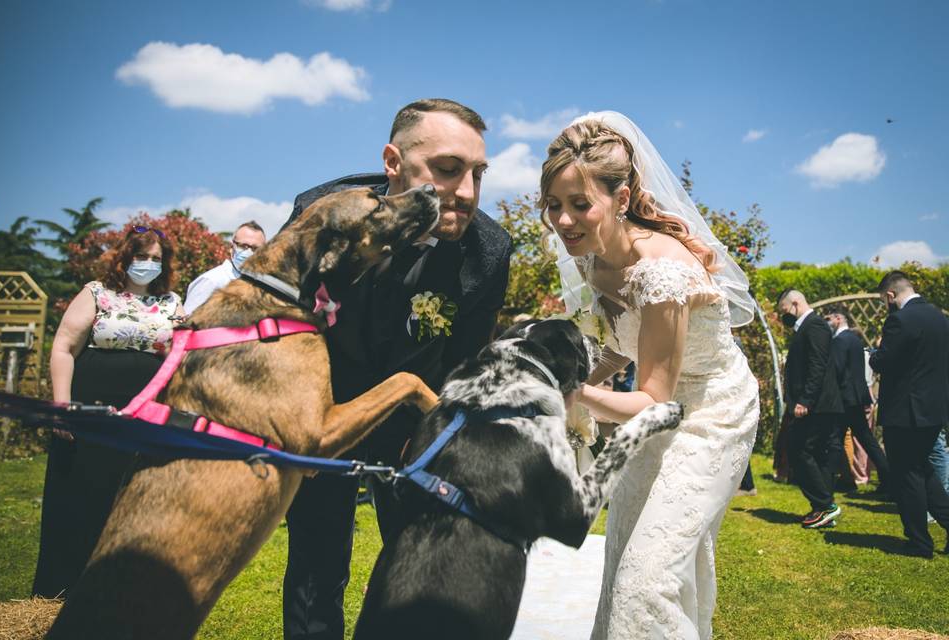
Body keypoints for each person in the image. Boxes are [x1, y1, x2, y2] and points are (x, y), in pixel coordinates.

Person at [281, 98, 512, 640]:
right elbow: (291, 326)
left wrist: (434, 434)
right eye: (448, 169)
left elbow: (466, 360)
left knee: (421, 568)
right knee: (317, 563)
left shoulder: (490, 250)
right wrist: (304, 422)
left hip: (412, 425)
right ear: (393, 162)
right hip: (325, 413)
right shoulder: (321, 213)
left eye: (478, 173)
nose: (468, 192)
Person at [542, 111, 759, 640]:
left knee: (647, 581)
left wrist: (569, 393)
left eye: (579, 205)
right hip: (656, 412)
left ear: (620, 198)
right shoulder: (592, 258)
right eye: (554, 206)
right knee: (624, 559)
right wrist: (583, 378)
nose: (564, 221)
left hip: (712, 413)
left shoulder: (660, 269)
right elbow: (622, 345)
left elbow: (655, 398)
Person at [33, 225, 183, 598]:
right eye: (141, 256)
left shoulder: (171, 302)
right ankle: (62, 591)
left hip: (144, 419)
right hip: (90, 411)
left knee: (131, 503)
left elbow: (183, 356)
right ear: (125, 256)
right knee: (82, 497)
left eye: (155, 259)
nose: (147, 264)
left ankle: (119, 594)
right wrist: (62, 406)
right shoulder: (97, 293)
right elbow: (64, 348)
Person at [869, 271, 949, 558]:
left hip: (906, 412)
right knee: (924, 471)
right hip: (934, 410)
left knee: (908, 476)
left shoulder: (900, 320)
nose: (885, 305)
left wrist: (873, 354)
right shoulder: (940, 317)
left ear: (890, 295)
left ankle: (919, 542)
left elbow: (883, 361)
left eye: (883, 300)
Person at [778, 289, 844, 529]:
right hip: (816, 404)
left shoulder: (814, 325)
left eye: (784, 311)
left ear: (795, 303)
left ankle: (825, 505)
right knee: (810, 453)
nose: (784, 316)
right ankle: (822, 509)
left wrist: (805, 400)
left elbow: (817, 365)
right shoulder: (808, 327)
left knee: (799, 450)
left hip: (817, 405)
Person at [825, 304, 890, 493]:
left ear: (838, 318)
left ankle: (830, 481)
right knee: (866, 440)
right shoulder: (853, 339)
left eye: (829, 318)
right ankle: (886, 478)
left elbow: (836, 369)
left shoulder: (839, 341)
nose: (827, 322)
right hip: (857, 396)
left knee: (835, 440)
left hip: (845, 398)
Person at [183, 220, 266, 314]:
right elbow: (189, 322)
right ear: (232, 248)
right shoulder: (211, 281)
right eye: (244, 246)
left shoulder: (261, 285)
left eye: (256, 249)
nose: (250, 253)